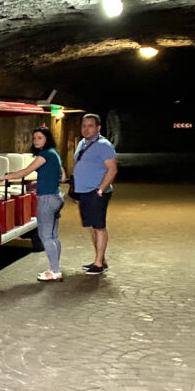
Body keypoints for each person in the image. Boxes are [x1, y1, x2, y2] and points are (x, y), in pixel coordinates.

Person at [0, 126, 66, 281]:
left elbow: (24, 172)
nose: (36, 141)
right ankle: (55, 268)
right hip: (56, 196)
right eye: (35, 138)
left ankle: (55, 271)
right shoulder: (54, 154)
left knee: (45, 236)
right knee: (53, 236)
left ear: (47, 139)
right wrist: (39, 183)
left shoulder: (45, 155)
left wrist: (1, 178)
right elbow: (63, 176)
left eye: (40, 138)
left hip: (47, 199)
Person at [72, 113, 118, 275]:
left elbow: (112, 169)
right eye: (84, 125)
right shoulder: (83, 143)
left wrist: (100, 189)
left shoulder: (104, 145)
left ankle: (98, 264)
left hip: (96, 192)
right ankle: (100, 259)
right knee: (91, 226)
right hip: (84, 192)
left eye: (90, 126)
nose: (86, 129)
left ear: (98, 128)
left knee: (99, 227)